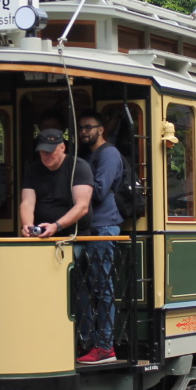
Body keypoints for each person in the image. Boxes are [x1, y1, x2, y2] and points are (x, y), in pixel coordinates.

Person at [75, 111, 122, 365]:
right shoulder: (89, 156)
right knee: (82, 286)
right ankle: (87, 341)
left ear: (101, 129)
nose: (84, 132)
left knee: (102, 286)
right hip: (87, 228)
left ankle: (105, 346)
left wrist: (72, 193)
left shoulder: (109, 154)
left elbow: (101, 190)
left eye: (88, 127)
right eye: (81, 128)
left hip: (103, 227)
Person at [20, 128, 94, 239]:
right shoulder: (32, 169)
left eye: (50, 151)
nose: (46, 155)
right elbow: (27, 202)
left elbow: (82, 206)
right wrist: (28, 225)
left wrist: (56, 226)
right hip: (41, 235)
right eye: (42, 151)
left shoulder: (78, 166)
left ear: (63, 147)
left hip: (74, 236)